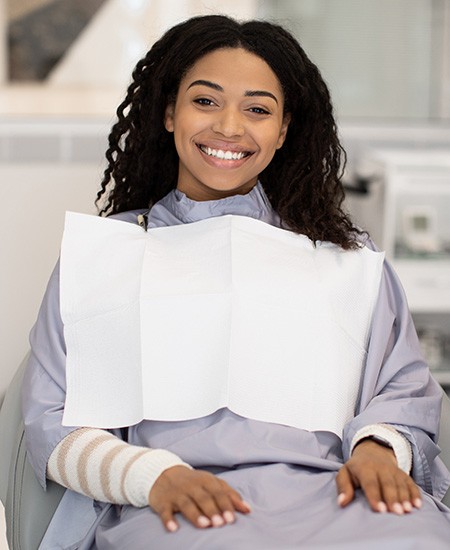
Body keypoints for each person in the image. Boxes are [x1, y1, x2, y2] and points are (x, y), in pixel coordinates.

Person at [22, 14, 450, 549]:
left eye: (257, 109)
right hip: (175, 503)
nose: (229, 126)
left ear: (283, 130)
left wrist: (378, 449)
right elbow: (52, 420)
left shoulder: (346, 261)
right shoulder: (104, 256)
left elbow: (404, 389)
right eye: (205, 101)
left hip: (335, 497)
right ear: (169, 113)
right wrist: (153, 478)